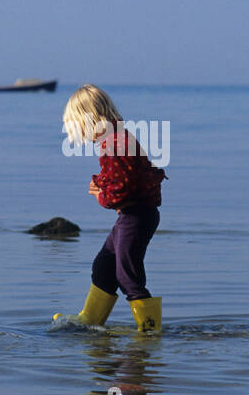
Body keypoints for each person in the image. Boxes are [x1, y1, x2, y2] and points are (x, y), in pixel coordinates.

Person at [55, 85, 166, 331]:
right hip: (132, 215)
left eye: (77, 127)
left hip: (137, 216)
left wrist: (100, 195)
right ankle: (90, 319)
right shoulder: (117, 138)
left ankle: (150, 329)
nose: (80, 136)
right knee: (103, 266)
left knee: (128, 276)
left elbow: (120, 192)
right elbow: (127, 179)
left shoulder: (115, 143)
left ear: (89, 119)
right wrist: (103, 183)